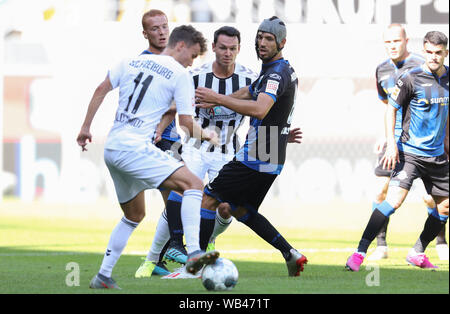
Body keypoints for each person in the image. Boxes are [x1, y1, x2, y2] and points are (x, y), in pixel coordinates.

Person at [76, 25, 220, 289]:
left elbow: (100, 89)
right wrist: (208, 135)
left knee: (134, 215)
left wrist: (86, 127)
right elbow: (187, 125)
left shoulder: (131, 60)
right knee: (194, 184)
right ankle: (195, 253)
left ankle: (103, 276)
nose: (191, 63)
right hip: (135, 148)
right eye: (193, 55)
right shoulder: (180, 74)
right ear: (181, 46)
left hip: (113, 147)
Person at [194, 16, 307, 277]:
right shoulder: (277, 69)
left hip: (256, 155)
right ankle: (290, 254)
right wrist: (215, 102)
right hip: (271, 153)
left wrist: (217, 97)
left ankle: (196, 266)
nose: (262, 43)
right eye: (259, 37)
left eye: (269, 39)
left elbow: (259, 107)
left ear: (282, 42)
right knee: (241, 209)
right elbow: (249, 91)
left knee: (208, 199)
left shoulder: (276, 74)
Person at [346, 31, 449, 271]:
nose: (434, 57)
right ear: (424, 51)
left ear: (446, 53)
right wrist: (392, 144)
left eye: (439, 53)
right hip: (409, 152)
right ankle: (360, 252)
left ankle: (418, 251)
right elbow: (390, 109)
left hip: (436, 155)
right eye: (430, 52)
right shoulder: (410, 78)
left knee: (445, 206)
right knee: (393, 201)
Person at [133, 9, 189, 278]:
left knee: (179, 194)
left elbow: (178, 103)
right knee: (181, 190)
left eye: (165, 26)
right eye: (155, 28)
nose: (162, 32)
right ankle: (175, 246)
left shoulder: (175, 63)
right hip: (151, 139)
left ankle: (157, 260)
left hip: (170, 138)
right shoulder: (141, 63)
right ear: (145, 34)